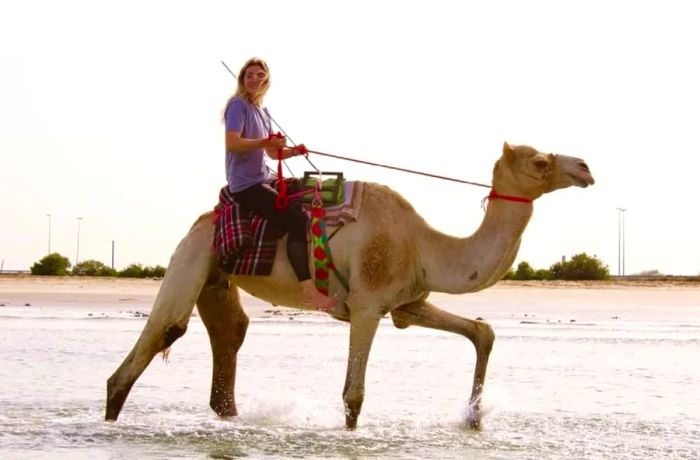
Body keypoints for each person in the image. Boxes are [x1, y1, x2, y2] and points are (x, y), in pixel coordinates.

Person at [223, 57, 335, 312]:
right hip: (245, 184)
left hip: (264, 175)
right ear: (243, 79)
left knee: (314, 189)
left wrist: (293, 151)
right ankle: (308, 289)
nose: (254, 79)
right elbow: (233, 143)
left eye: (259, 75)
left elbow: (273, 155)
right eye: (249, 75)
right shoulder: (237, 106)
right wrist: (266, 143)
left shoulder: (263, 112)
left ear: (266, 80)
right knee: (297, 219)